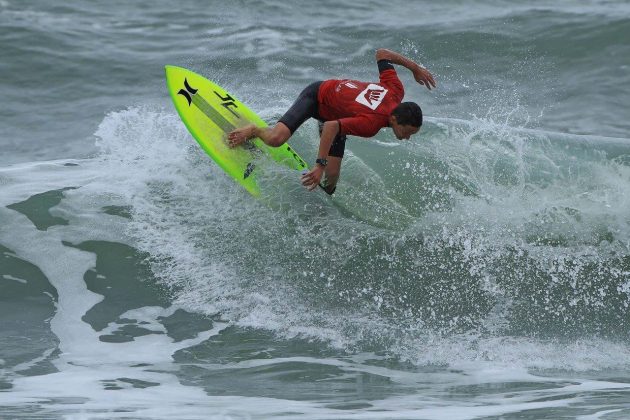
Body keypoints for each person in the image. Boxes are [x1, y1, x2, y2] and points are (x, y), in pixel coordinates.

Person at [228, 48, 436, 194]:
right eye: (407, 132)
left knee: (333, 177)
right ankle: (255, 130)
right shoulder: (371, 124)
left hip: (338, 114)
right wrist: (319, 164)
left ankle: (322, 195)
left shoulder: (395, 90)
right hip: (317, 98)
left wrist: (414, 68)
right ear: (394, 118)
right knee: (276, 139)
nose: (407, 137)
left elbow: (382, 54)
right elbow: (331, 126)